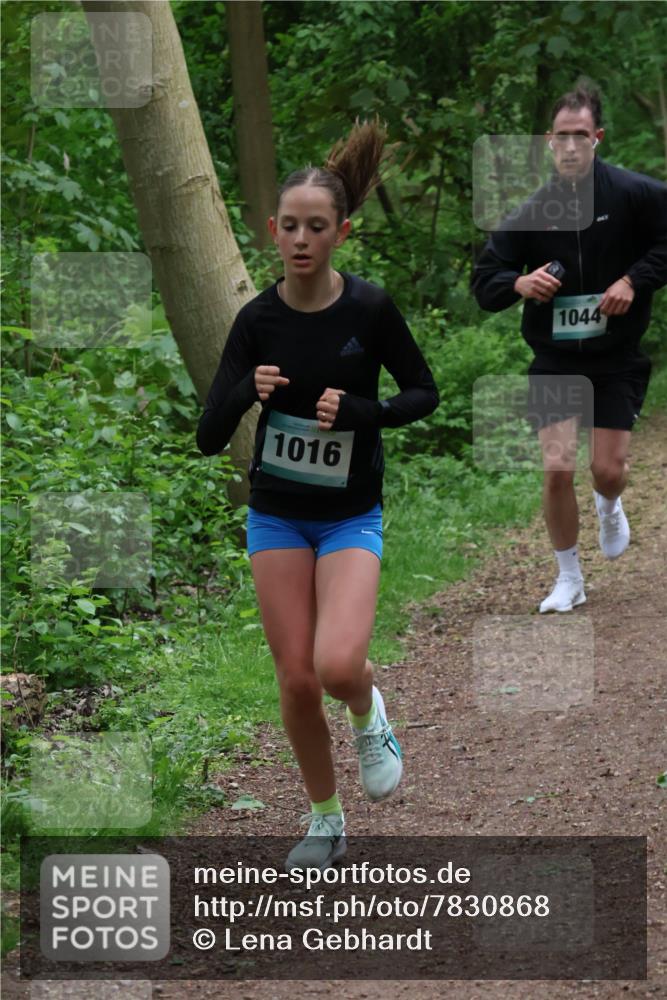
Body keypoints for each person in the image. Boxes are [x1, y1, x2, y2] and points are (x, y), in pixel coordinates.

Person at [196, 120, 439, 869]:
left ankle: (370, 714)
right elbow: (208, 435)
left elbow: (423, 393)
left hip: (348, 515)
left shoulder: (367, 310)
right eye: (290, 226)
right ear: (273, 231)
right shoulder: (256, 319)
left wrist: (365, 411)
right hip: (275, 513)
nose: (301, 239)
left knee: (337, 666)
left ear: (341, 233)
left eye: (317, 227)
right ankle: (325, 818)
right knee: (297, 678)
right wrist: (245, 390)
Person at [471, 85, 667, 613]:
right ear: (548, 143)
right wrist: (519, 284)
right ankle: (569, 578)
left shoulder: (634, 194)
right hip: (555, 359)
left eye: (582, 135)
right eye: (562, 136)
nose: (572, 146)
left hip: (616, 357)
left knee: (606, 469)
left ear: (597, 138)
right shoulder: (532, 212)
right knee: (557, 469)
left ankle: (610, 503)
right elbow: (484, 279)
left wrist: (634, 280)